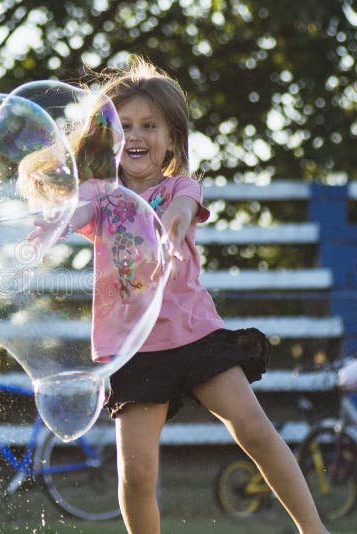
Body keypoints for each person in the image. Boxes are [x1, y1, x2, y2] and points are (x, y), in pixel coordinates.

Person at [26, 56, 328, 534]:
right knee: (137, 474)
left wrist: (177, 220)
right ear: (110, 136)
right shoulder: (102, 195)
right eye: (126, 126)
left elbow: (187, 205)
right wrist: (51, 221)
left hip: (193, 334)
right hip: (132, 350)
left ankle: (316, 531)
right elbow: (74, 207)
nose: (138, 135)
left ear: (171, 139)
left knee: (254, 430)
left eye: (150, 125)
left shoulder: (180, 186)